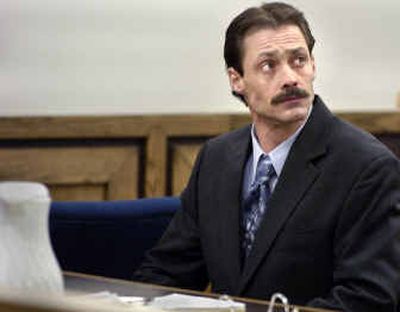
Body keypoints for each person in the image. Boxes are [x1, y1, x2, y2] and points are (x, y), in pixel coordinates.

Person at [134, 2, 400, 311]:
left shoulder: (367, 167)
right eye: (268, 65)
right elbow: (169, 272)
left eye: (298, 60)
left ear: (313, 65)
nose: (290, 78)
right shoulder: (216, 159)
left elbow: (368, 299)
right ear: (237, 80)